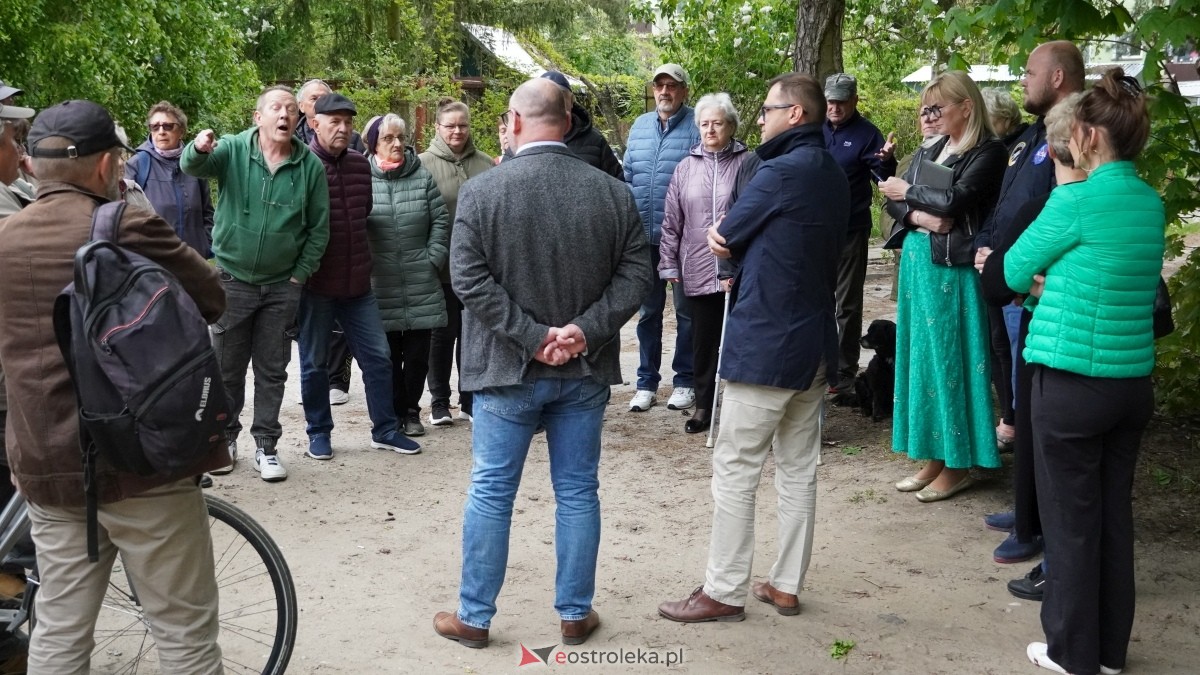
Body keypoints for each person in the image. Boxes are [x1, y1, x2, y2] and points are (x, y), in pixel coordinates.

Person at [0, 99, 227, 672]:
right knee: (184, 635)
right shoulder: (126, 224)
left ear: (32, 165)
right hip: (143, 462)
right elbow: (211, 298)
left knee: (59, 632)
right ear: (106, 165)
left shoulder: (5, 239)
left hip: (47, 467)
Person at [432, 78, 651, 649]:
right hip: (582, 368)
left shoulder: (482, 192)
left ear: (513, 121)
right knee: (577, 491)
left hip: (506, 371)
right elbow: (637, 275)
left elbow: (466, 279)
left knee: (491, 492)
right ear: (569, 120)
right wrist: (583, 332)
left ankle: (474, 618)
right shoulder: (613, 193)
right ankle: (575, 613)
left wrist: (531, 338)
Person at [658, 73, 849, 622]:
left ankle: (722, 591)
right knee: (798, 467)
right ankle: (785, 585)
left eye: (767, 109)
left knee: (736, 465)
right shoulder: (832, 171)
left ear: (795, 114)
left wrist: (729, 239)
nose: (760, 118)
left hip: (768, 340)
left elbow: (724, 234)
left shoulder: (779, 171)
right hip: (815, 339)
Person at [1005, 69, 1163, 675]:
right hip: (1131, 384)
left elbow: (1012, 271)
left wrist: (1043, 282)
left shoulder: (1074, 201)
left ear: (1089, 137)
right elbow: (1111, 274)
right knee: (1113, 518)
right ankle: (1109, 653)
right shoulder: (1150, 202)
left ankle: (1073, 654)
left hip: (1071, 383)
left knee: (1070, 523)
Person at [973, 40, 1085, 570]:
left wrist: (1014, 266)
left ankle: (1036, 525)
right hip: (1006, 278)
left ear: (1058, 77)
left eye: (1030, 71)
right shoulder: (1029, 137)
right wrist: (987, 248)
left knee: (1038, 409)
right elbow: (1007, 205)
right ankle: (1025, 509)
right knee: (1017, 396)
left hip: (1037, 289)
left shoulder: (1078, 132)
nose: (1022, 79)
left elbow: (1057, 216)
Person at [182, 85, 330, 483]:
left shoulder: (309, 166)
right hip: (232, 280)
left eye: (291, 110)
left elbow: (319, 229)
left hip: (282, 286)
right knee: (226, 369)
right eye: (276, 108)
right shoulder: (232, 149)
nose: (284, 115)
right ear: (258, 117)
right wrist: (198, 147)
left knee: (272, 370)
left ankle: (266, 446)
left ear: (298, 119)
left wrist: (299, 275)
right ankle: (225, 441)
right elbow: (192, 166)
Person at [879, 70, 1005, 502]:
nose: (930, 116)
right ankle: (935, 454)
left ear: (966, 107)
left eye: (937, 107)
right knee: (923, 360)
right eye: (926, 108)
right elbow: (892, 201)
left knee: (950, 361)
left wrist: (909, 193)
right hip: (920, 265)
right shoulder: (934, 147)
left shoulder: (987, 151)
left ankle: (958, 463)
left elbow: (955, 201)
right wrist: (918, 215)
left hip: (953, 269)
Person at [297, 93, 420, 461]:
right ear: (315, 124)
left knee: (379, 359)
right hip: (317, 285)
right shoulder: (301, 165)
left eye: (348, 121)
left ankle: (385, 430)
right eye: (334, 121)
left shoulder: (358, 165)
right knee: (314, 364)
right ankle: (319, 432)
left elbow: (363, 211)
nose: (342, 127)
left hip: (357, 286)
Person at [657, 92, 749, 434]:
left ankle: (742, 410)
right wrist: (668, 264)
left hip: (740, 269)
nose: (710, 130)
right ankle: (704, 407)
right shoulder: (685, 167)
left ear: (731, 126)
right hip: (696, 267)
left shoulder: (748, 163)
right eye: (705, 124)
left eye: (717, 123)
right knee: (703, 342)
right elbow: (671, 222)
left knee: (742, 340)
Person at [363, 113, 449, 438]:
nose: (397, 143)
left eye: (400, 137)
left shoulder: (421, 176)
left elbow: (440, 219)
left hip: (420, 278)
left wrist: (433, 257)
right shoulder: (362, 177)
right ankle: (395, 412)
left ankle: (411, 411)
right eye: (388, 138)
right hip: (379, 281)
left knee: (417, 357)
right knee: (386, 355)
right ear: (374, 144)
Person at [624, 63, 701, 413]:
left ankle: (685, 380)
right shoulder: (640, 126)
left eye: (672, 85)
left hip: (684, 239)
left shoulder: (697, 125)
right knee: (648, 313)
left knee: (686, 312)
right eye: (659, 86)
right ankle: (646, 383)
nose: (665, 91)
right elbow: (628, 178)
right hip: (644, 237)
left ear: (684, 90)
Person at [822, 73, 897, 401]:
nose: (835, 107)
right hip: (814, 231)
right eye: (830, 101)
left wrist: (887, 161)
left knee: (847, 303)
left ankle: (843, 371)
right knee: (815, 300)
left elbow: (883, 178)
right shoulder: (814, 128)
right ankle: (817, 367)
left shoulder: (867, 134)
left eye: (841, 101)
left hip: (850, 229)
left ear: (854, 101)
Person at [419, 98, 493, 426]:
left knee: (472, 335)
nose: (457, 131)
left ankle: (469, 399)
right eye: (450, 126)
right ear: (438, 127)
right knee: (441, 335)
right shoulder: (422, 165)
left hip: (478, 268)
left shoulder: (486, 164)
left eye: (463, 125)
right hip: (440, 267)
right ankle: (439, 402)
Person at [124, 101, 214, 257]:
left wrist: (206, 245)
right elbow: (126, 216)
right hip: (155, 259)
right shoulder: (138, 164)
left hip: (193, 259)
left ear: (181, 131)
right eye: (155, 127)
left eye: (168, 126)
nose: (161, 132)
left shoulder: (195, 163)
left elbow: (207, 212)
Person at [538, 70, 623, 177]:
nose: (555, 102)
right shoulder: (526, 138)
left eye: (561, 96)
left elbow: (617, 181)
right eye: (548, 96)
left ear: (571, 100)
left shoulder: (594, 140)